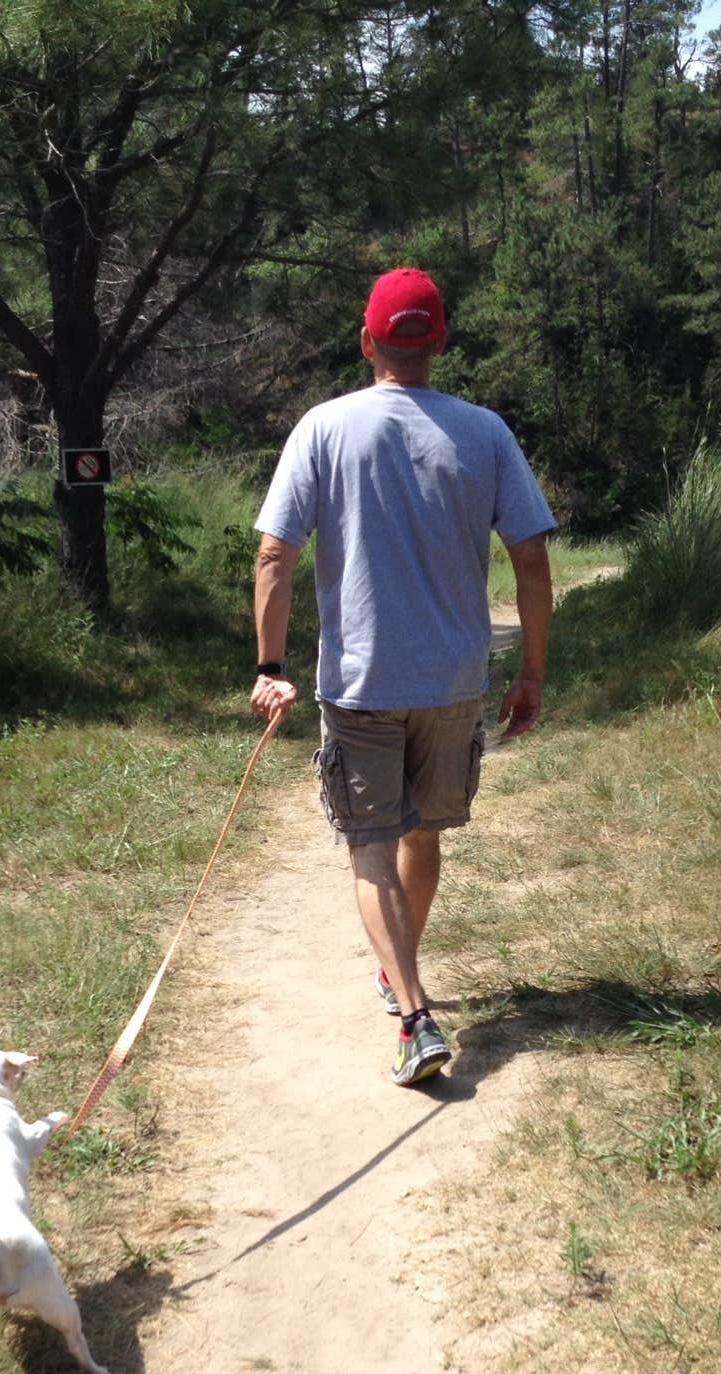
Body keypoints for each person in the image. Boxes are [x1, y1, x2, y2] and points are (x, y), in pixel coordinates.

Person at [251, 265, 556, 1086]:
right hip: (453, 681)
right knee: (420, 833)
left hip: (361, 685)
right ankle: (404, 981)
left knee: (371, 846)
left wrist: (271, 666)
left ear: (367, 341)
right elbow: (531, 557)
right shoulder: (485, 432)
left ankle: (413, 1016)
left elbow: (277, 552)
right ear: (441, 343)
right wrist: (530, 673)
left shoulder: (323, 427)